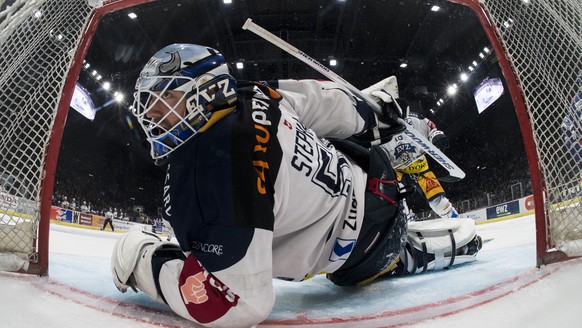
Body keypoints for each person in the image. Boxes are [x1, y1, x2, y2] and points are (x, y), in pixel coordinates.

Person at [111, 44, 482, 327]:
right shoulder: (254, 93)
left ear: (206, 90)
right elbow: (325, 103)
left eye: (166, 98)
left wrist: (146, 262)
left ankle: (409, 252)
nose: (151, 115)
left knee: (350, 261)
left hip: (365, 249)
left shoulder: (208, 182)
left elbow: (235, 303)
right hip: (371, 172)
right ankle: (401, 129)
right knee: (350, 122)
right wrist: (373, 110)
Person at [379, 103, 459, 219]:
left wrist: (436, 136)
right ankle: (403, 222)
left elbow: (431, 129)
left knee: (439, 202)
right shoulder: (378, 128)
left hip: (419, 166)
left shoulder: (414, 119)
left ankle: (454, 219)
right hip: (396, 172)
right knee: (397, 203)